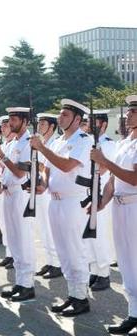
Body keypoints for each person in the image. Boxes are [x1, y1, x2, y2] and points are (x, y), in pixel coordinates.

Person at [30, 99, 93, 316]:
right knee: (64, 252)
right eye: (60, 114)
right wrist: (44, 183)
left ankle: (81, 298)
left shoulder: (84, 140)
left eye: (65, 114)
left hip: (72, 202)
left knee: (75, 251)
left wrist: (41, 148)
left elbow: (66, 165)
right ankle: (72, 295)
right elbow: (47, 169)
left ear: (77, 119)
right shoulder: (57, 141)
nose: (60, 117)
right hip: (55, 201)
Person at [90, 94, 137, 334]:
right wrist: (101, 203)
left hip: (135, 206)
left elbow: (135, 179)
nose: (128, 115)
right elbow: (112, 180)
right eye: (129, 111)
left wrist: (106, 162)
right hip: (119, 206)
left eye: (133, 112)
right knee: (127, 263)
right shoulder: (124, 142)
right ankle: (133, 314)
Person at [0, 107, 36, 301]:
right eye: (9, 119)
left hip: (20, 194)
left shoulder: (28, 142)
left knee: (23, 240)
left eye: (15, 120)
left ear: (25, 122)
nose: (10, 123)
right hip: (8, 193)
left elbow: (19, 173)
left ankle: (28, 284)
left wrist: (1, 155)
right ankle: (20, 282)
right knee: (14, 241)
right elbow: (7, 171)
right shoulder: (12, 142)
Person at [84, 111, 116, 291]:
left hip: (103, 194)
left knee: (100, 235)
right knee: (90, 236)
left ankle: (104, 274)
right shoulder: (89, 142)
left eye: (93, 121)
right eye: (88, 121)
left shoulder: (108, 144)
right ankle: (94, 271)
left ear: (103, 124)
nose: (89, 124)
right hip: (89, 193)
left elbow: (103, 169)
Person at [33, 113, 62, 279]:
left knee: (52, 229)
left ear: (51, 126)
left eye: (43, 124)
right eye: (39, 124)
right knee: (44, 228)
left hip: (51, 190)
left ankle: (57, 263)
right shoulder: (41, 143)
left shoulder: (56, 143)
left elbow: (53, 166)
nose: (39, 127)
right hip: (41, 188)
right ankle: (50, 260)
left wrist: (39, 164)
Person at [0, 115, 15, 269]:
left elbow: (16, 168)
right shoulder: (5, 144)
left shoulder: (15, 144)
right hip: (4, 187)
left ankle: (16, 256)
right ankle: (9, 253)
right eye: (2, 126)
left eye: (5, 125)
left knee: (16, 227)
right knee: (5, 224)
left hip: (17, 190)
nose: (3, 128)